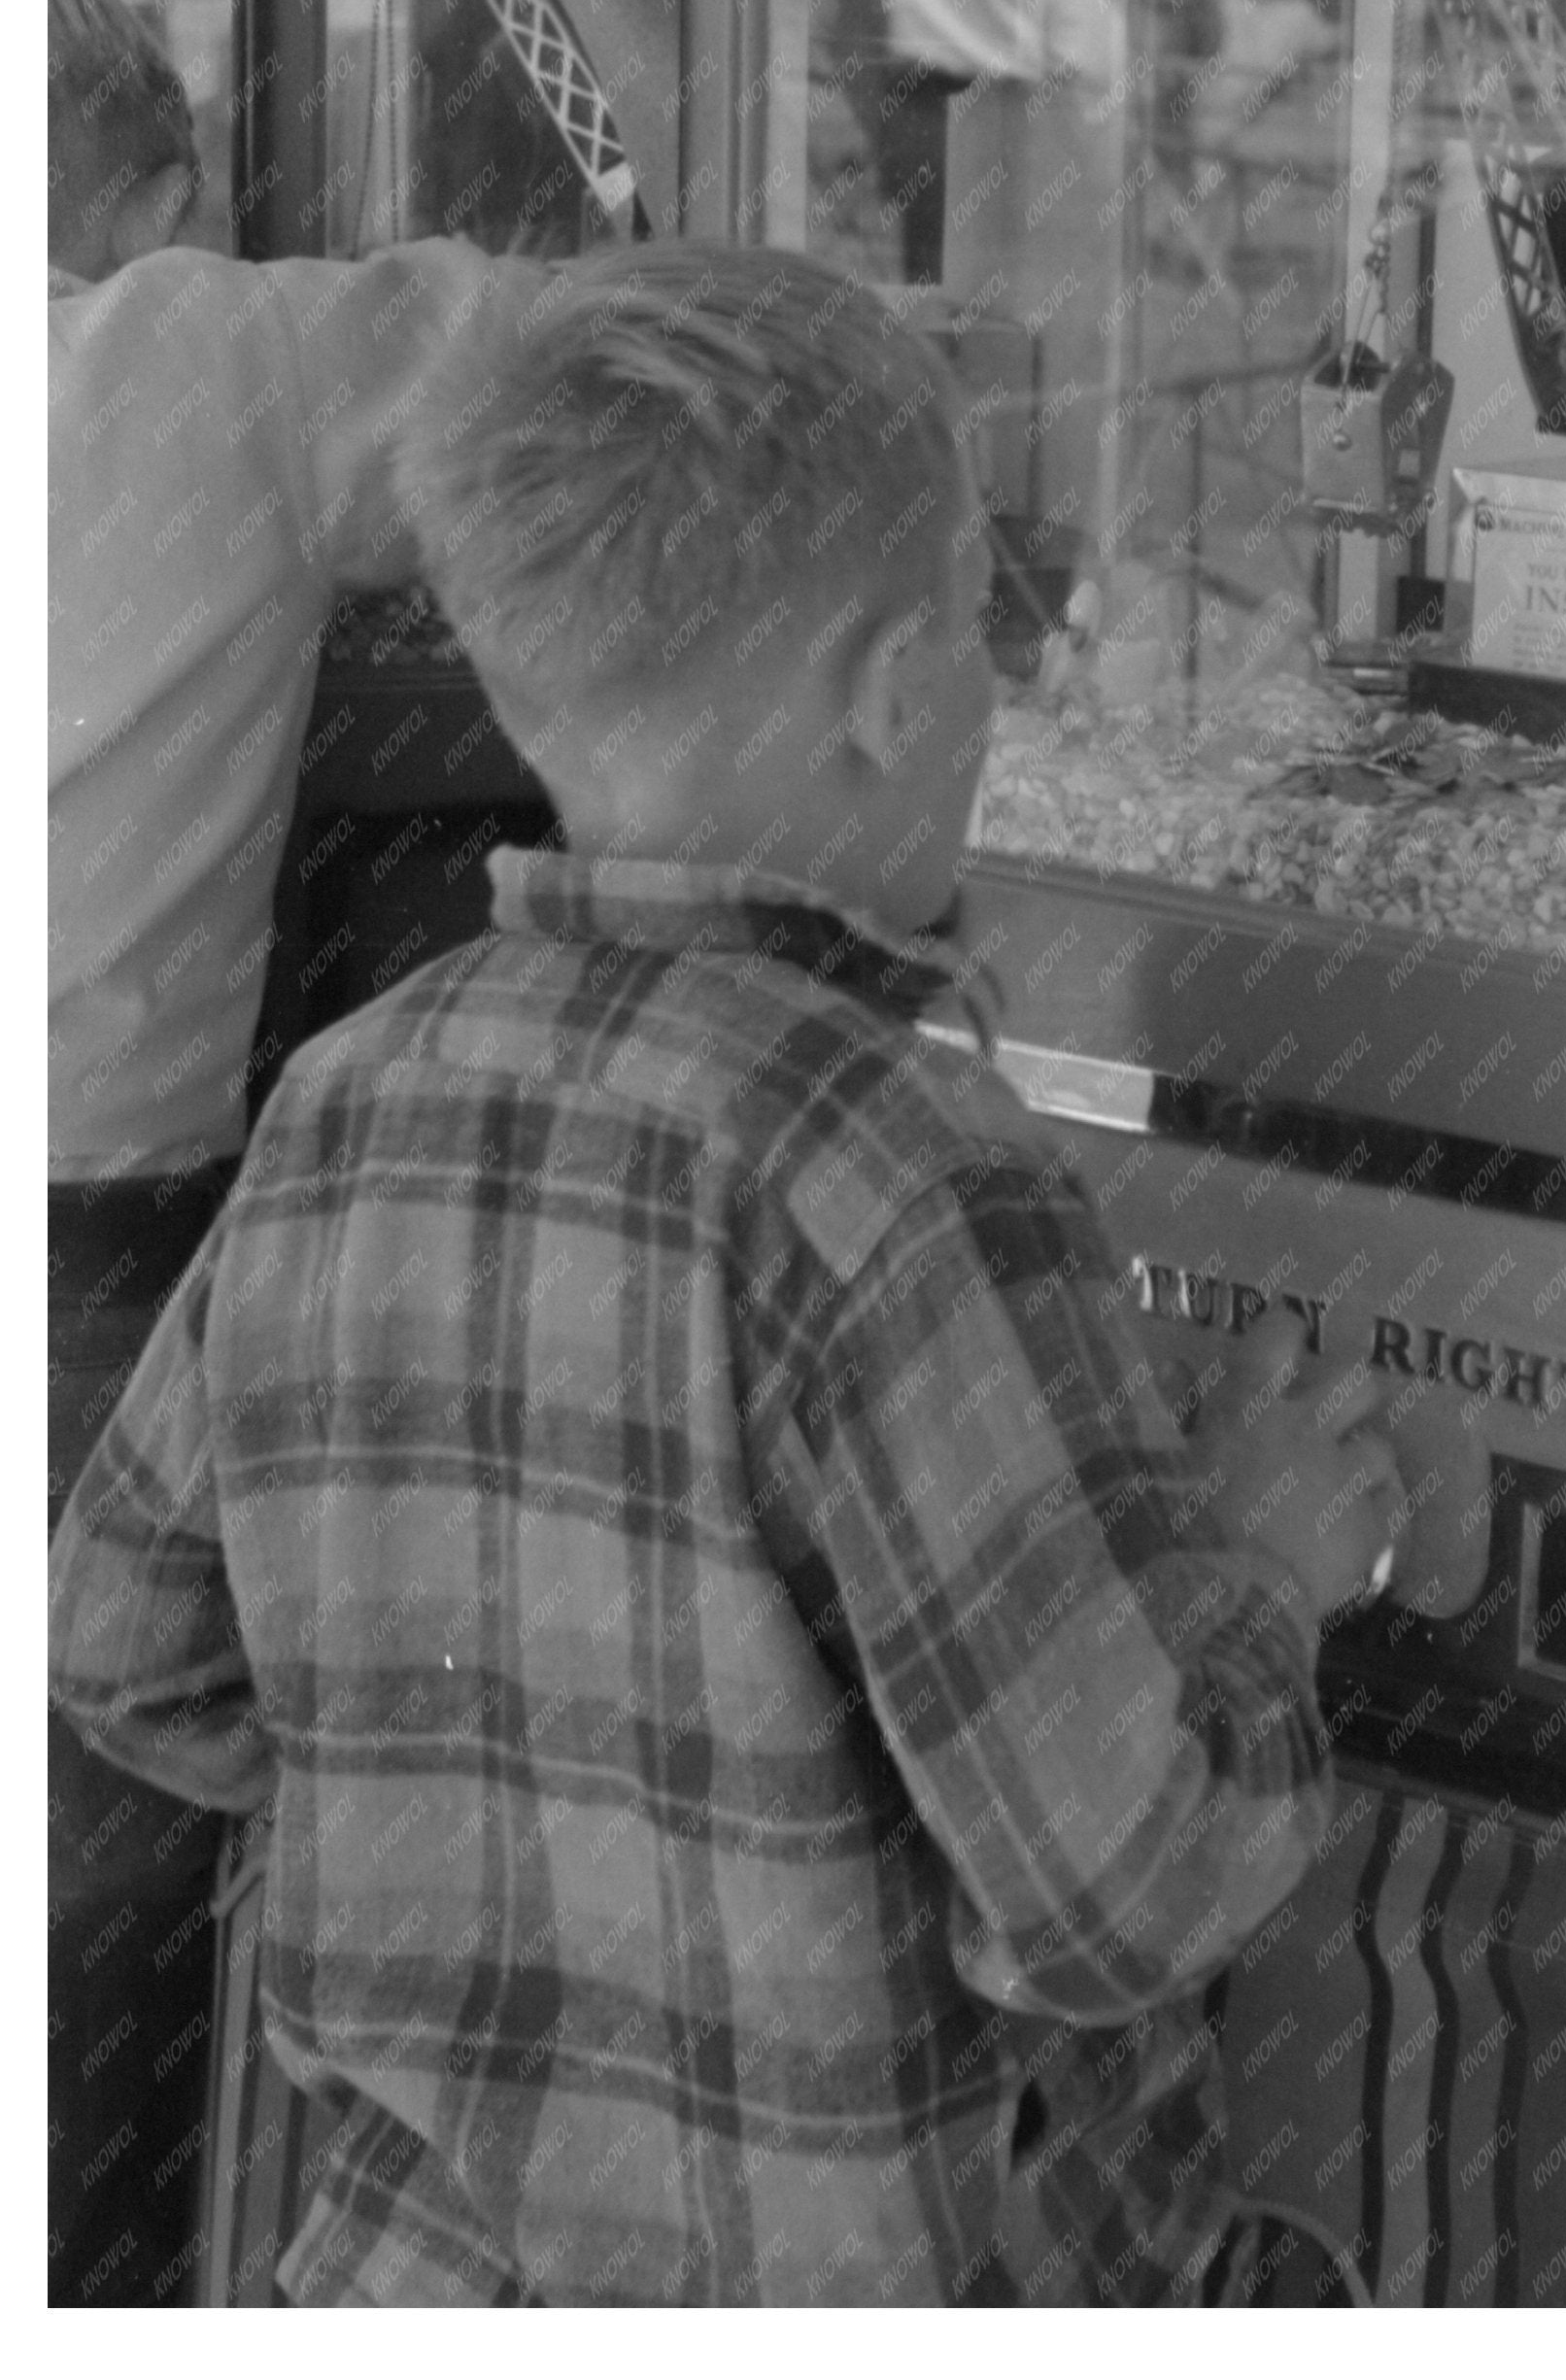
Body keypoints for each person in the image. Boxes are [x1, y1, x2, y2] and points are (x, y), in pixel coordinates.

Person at [49, 243, 1402, 2307]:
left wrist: (519, 1819)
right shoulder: (904, 1175)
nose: (985, 684)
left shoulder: (340, 1098)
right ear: (888, 691)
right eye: (974, 626)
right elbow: (1117, 1889)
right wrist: (1265, 1568)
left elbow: (127, 1655)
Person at [47, 0, 681, 2304]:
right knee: (89, 2001)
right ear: (158, 185)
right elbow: (724, 315)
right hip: (85, 1299)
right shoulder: (169, 356)